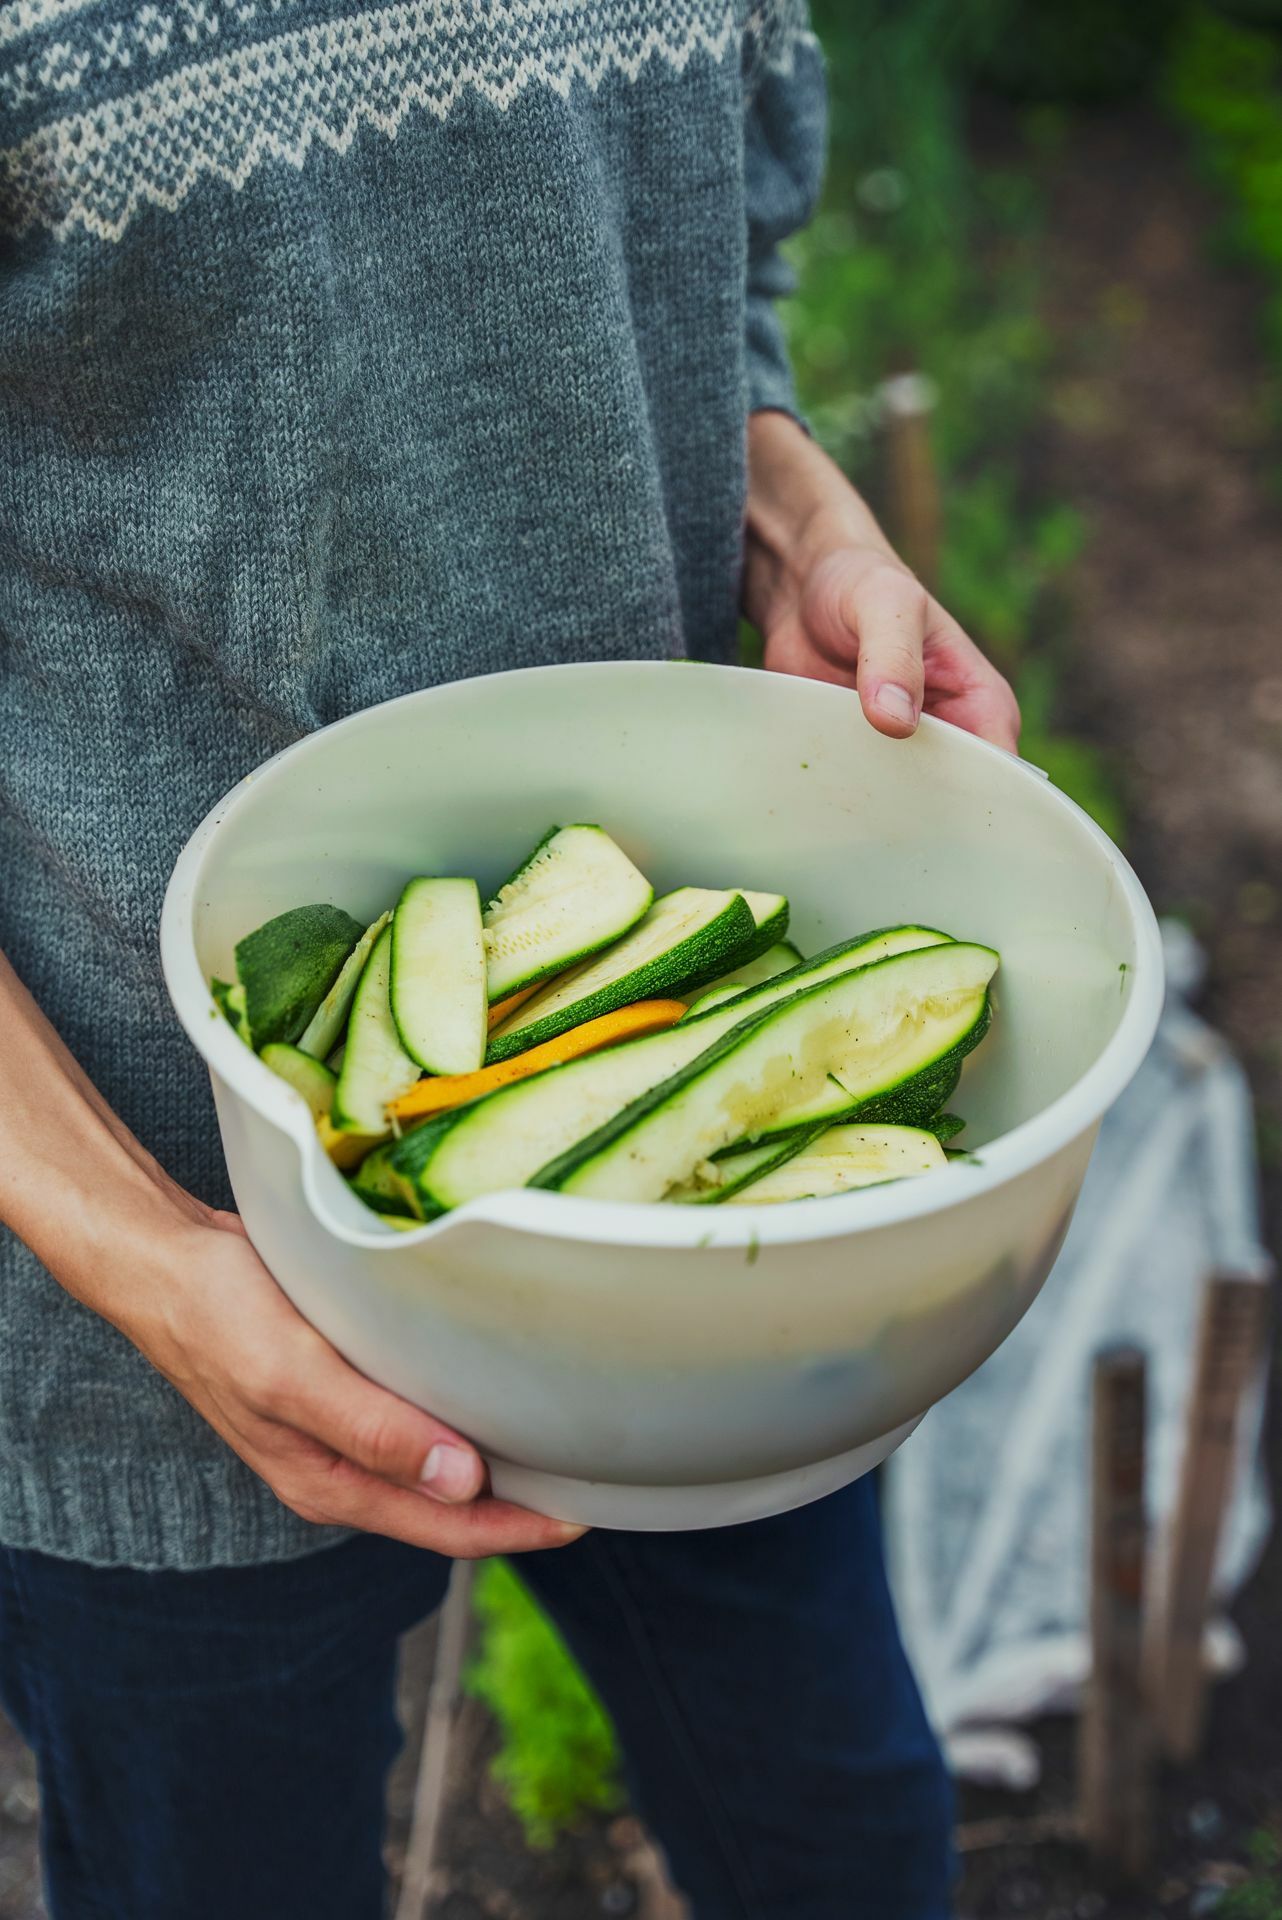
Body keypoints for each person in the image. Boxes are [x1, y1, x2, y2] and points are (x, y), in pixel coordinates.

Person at [0, 2, 1019, 1915]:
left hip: (703, 1188)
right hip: (155, 1297)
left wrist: (800, 520)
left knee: (840, 1839)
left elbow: (702, 259)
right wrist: (145, 1262)